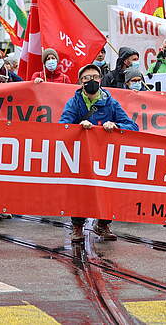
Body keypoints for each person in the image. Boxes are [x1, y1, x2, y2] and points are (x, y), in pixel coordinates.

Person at [59, 64, 139, 242]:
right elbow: (62, 125)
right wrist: (78, 127)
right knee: (80, 190)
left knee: (107, 190)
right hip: (82, 156)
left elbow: (132, 125)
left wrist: (116, 126)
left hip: (105, 157)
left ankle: (103, 224)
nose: (91, 81)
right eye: (87, 78)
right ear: (80, 82)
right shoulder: (74, 102)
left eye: (95, 77)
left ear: (100, 79)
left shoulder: (111, 102)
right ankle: (77, 226)